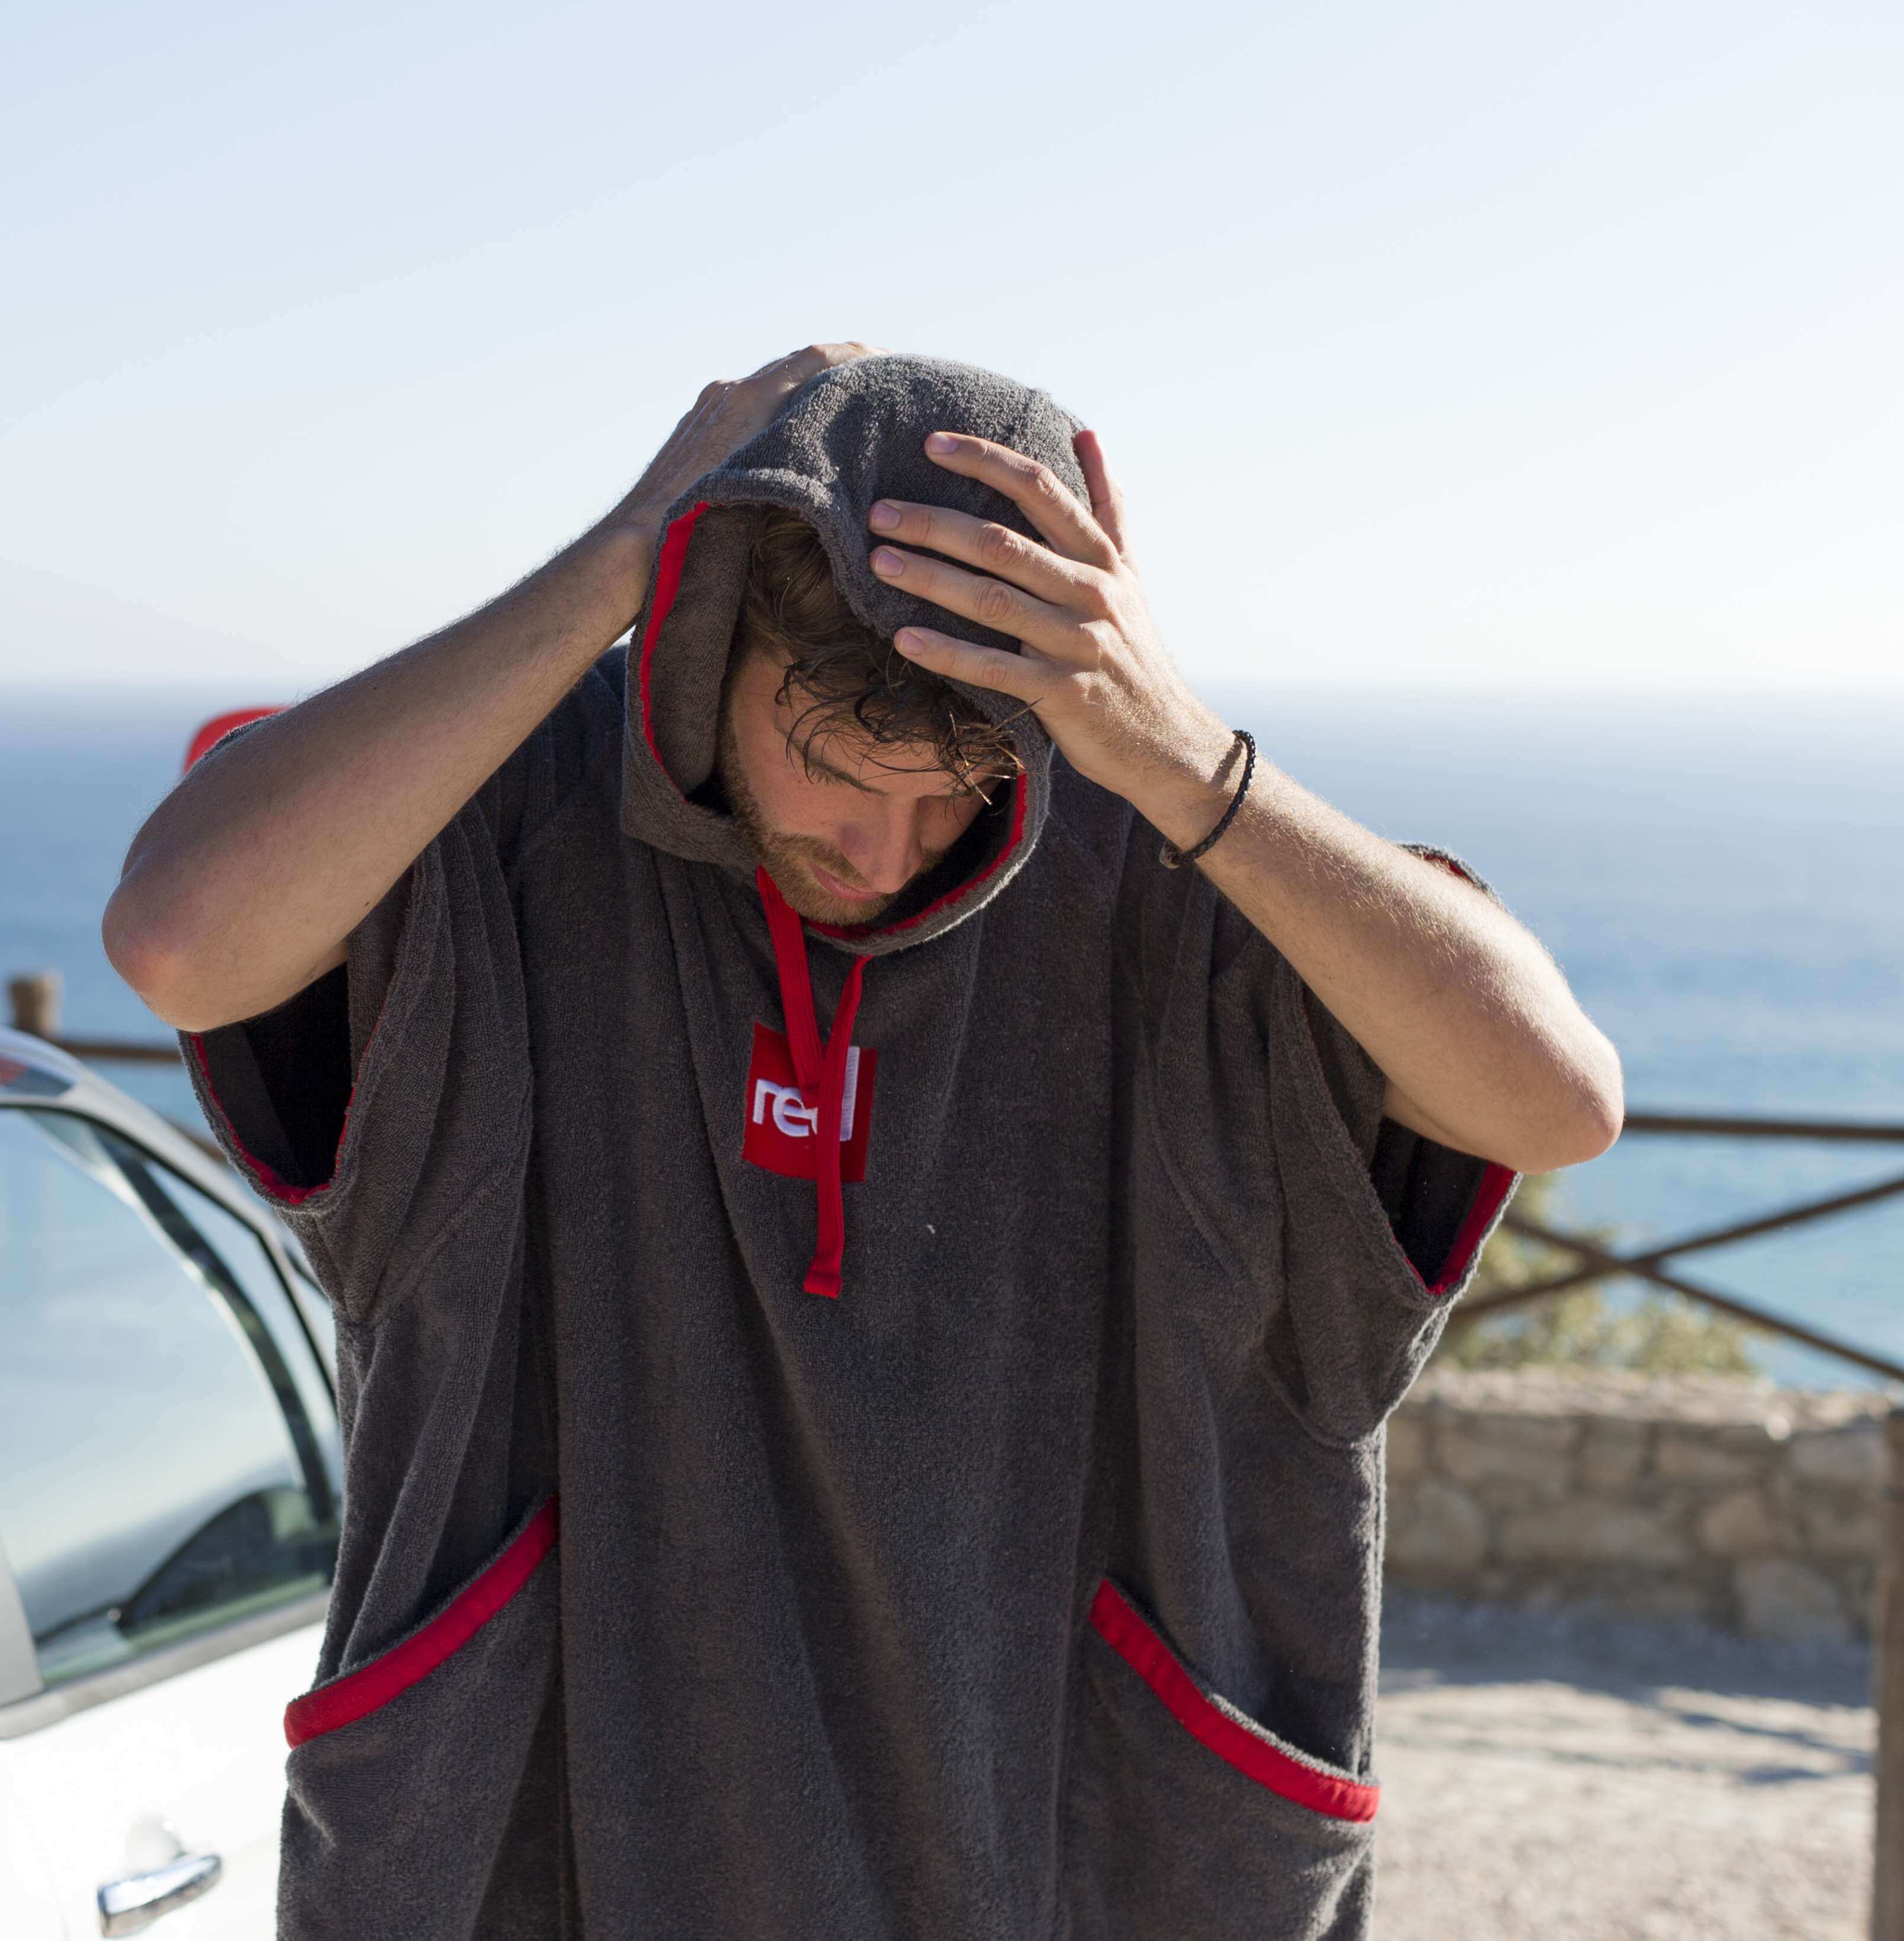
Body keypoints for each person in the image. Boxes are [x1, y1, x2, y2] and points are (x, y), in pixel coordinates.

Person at [103, 346, 1622, 1941]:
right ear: (703, 644)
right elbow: (181, 937)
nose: (885, 849)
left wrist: (1181, 754)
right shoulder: (502, 821)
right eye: (831, 768)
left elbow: (1555, 1100)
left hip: (1078, 1860)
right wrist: (625, 552)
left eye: (956, 790)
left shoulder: (1181, 886)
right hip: (553, 1853)